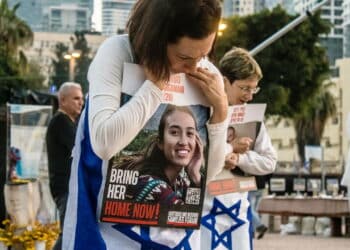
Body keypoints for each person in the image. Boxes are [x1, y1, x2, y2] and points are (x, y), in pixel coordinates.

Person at [62, 0, 228, 249]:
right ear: (156, 39)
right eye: (184, 56)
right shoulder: (117, 52)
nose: (194, 66)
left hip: (175, 236)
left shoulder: (206, 74)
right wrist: (155, 87)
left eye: (203, 55)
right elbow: (105, 144)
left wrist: (221, 113)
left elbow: (211, 173)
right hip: (107, 232)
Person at [201, 47, 277, 249]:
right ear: (225, 81)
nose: (249, 96)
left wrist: (240, 159)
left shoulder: (253, 117)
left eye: (254, 89)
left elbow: (269, 161)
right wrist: (228, 149)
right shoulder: (201, 110)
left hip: (238, 211)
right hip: (204, 211)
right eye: (244, 88)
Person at [121, 105, 203, 205]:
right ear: (161, 142)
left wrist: (195, 176)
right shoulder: (156, 188)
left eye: (190, 133)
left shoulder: (180, 182)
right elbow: (190, 217)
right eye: (174, 132)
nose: (184, 142)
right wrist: (196, 181)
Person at [46, 82, 84, 250]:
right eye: (76, 98)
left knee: (72, 232)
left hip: (67, 187)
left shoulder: (68, 122)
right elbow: (80, 150)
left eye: (81, 99)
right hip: (65, 188)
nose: (80, 102)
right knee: (69, 233)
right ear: (62, 100)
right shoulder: (61, 121)